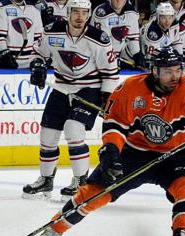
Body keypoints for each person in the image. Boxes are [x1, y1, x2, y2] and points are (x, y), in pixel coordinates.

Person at [39, 47, 185, 236]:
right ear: (155, 71)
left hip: (176, 153)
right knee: (94, 192)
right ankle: (54, 228)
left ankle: (183, 231)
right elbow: (115, 124)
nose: (175, 76)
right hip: (134, 151)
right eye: (168, 71)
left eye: (178, 70)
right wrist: (111, 150)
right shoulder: (129, 88)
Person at [23, 0, 119, 201]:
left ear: (89, 14)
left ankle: (80, 182)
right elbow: (38, 53)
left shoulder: (99, 39)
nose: (80, 17)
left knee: (73, 130)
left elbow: (110, 73)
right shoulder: (52, 32)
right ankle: (46, 179)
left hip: (89, 88)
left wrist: (106, 97)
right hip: (61, 87)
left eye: (84, 13)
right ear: (68, 12)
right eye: (76, 12)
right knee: (47, 136)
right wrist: (38, 66)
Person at [0, 0, 43, 69]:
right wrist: (5, 55)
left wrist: (37, 58)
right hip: (5, 64)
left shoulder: (33, 9)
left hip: (29, 65)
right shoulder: (1, 8)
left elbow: (38, 39)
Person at [90, 0, 143, 69]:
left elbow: (132, 39)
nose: (118, 1)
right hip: (99, 59)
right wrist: (116, 62)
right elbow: (100, 45)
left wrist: (137, 55)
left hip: (119, 57)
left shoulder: (132, 13)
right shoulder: (101, 12)